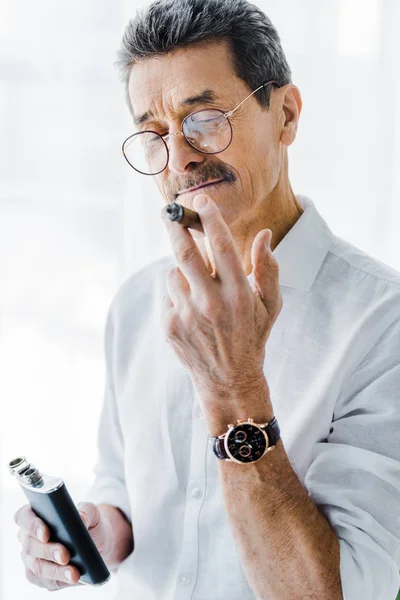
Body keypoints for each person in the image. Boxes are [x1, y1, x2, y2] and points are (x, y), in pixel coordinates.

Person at [13, 0, 400, 598]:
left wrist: (234, 388)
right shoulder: (138, 303)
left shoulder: (382, 323)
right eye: (154, 133)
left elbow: (342, 590)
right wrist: (102, 527)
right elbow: (123, 483)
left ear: (287, 115)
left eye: (204, 119)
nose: (182, 157)